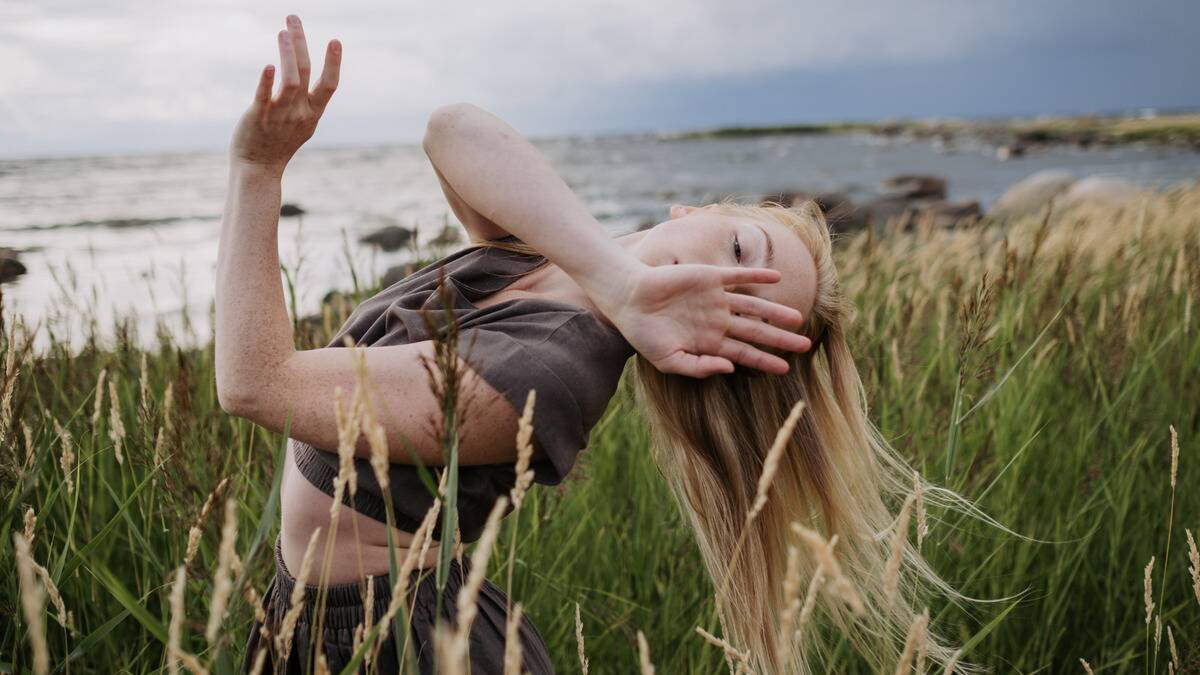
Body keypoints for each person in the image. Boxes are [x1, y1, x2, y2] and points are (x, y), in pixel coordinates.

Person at [217, 15, 972, 675]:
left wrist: (257, 170)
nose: (713, 279)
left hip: (398, 648)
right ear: (695, 207)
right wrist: (615, 277)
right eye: (739, 247)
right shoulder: (557, 259)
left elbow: (254, 382)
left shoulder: (547, 375)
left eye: (739, 307)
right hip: (313, 616)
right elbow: (452, 129)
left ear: (710, 351)